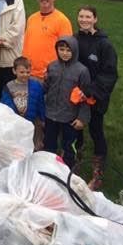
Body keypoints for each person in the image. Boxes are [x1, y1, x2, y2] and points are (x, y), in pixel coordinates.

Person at [74, 6, 119, 190]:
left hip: (95, 98)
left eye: (88, 17)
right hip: (76, 96)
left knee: (96, 131)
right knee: (75, 130)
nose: (84, 20)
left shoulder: (104, 45)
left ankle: (97, 174)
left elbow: (109, 74)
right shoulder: (75, 40)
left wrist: (91, 91)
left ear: (95, 19)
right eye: (81, 16)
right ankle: (74, 164)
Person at [42, 35, 91, 169]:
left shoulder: (82, 71)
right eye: (61, 49)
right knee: (49, 145)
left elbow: (86, 97)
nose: (64, 53)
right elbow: (46, 88)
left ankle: (69, 171)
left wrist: (82, 118)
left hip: (70, 117)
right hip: (51, 114)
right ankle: (47, 169)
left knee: (69, 147)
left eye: (68, 50)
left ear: (74, 51)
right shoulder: (52, 66)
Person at [22, 0, 73, 80]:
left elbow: (68, 51)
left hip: (48, 75)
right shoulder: (32, 18)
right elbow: (26, 44)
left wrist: (56, 71)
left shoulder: (62, 20)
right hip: (28, 73)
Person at [0, 56, 46, 150]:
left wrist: (43, 119)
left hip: (33, 121)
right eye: (22, 72)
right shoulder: (9, 86)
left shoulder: (36, 85)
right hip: (16, 122)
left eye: (28, 72)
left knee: (34, 143)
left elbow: (41, 103)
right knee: (18, 145)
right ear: (14, 71)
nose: (25, 74)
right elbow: (5, 104)